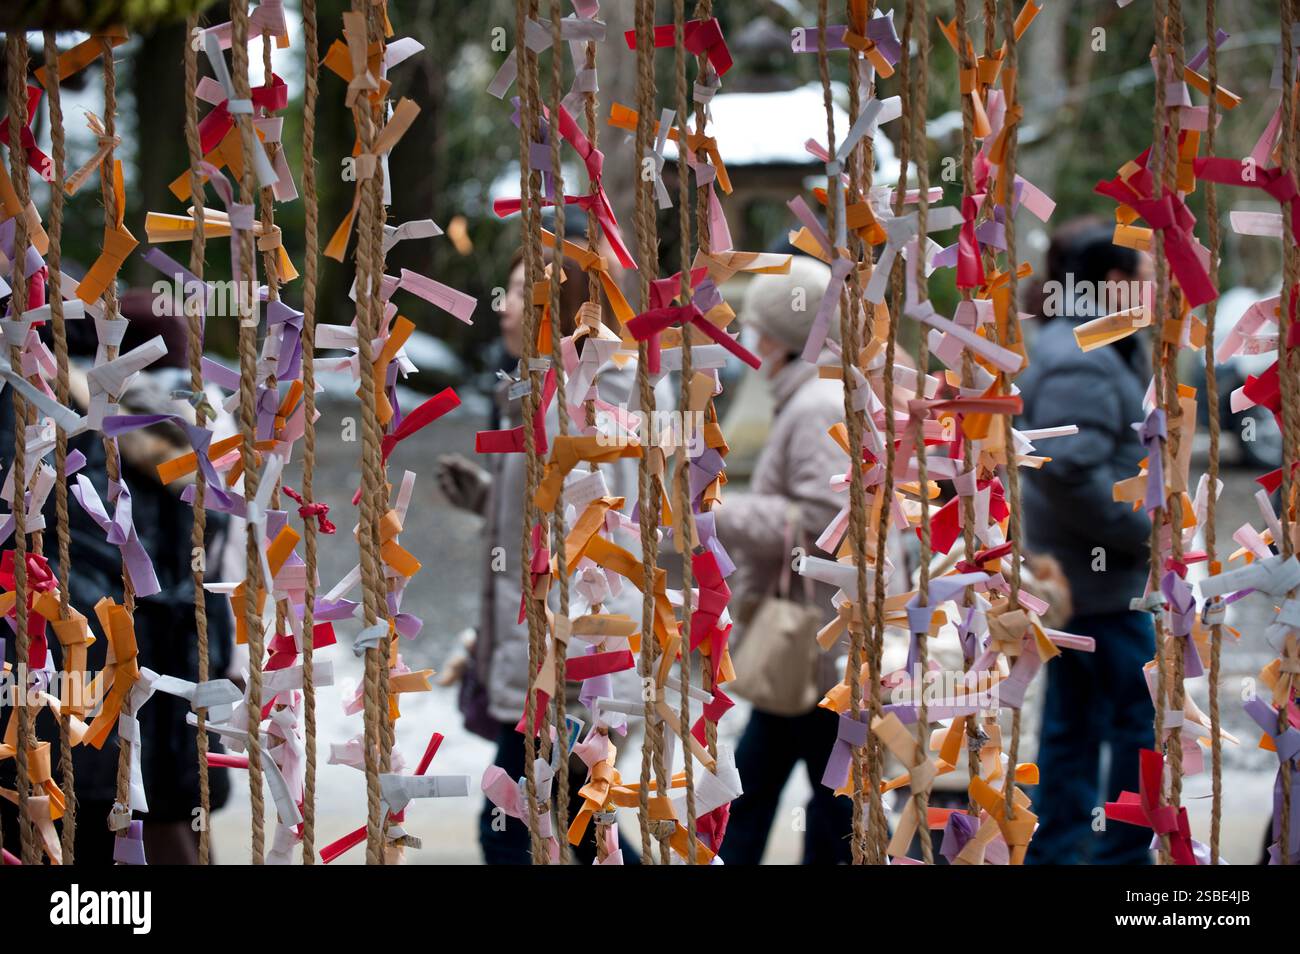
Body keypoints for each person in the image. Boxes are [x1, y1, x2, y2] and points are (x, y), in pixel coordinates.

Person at [0, 298, 234, 864]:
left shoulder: (56, 421)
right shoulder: (194, 428)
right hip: (169, 673)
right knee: (165, 819)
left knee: (90, 825)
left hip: (85, 673)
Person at [436, 245, 642, 864]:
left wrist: (575, 674)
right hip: (545, 655)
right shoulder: (541, 392)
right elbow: (547, 519)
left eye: (524, 291)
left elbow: (592, 532)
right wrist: (490, 499)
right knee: (575, 823)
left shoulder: (573, 402)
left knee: (518, 827)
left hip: (566, 663)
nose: (506, 306)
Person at [713, 256, 862, 864]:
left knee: (799, 800)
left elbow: (816, 524)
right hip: (818, 643)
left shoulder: (814, 407)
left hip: (817, 643)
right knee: (809, 798)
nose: (751, 342)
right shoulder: (817, 396)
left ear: (779, 335)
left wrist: (717, 514)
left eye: (757, 329)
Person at [1017, 221, 1157, 865]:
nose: (1155, 289)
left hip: (1080, 578)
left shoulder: (1086, 345)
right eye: (1147, 276)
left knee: (1077, 723)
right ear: (1114, 282)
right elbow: (1072, 473)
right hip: (1098, 582)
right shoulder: (1084, 356)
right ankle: (1118, 860)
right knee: (1135, 721)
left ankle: (1066, 850)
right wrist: (1145, 534)